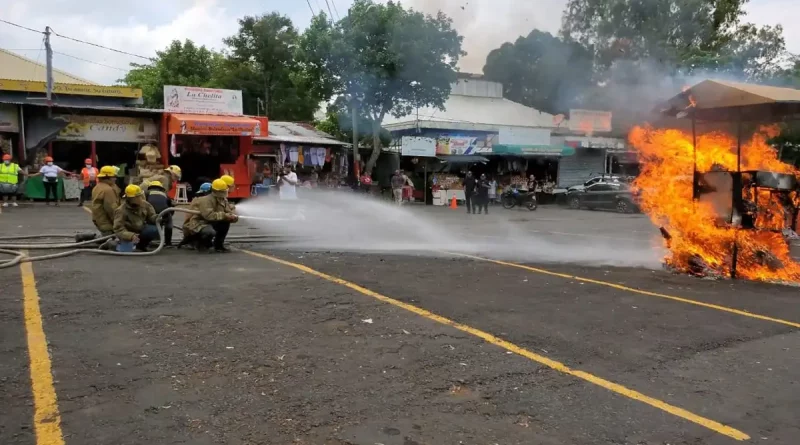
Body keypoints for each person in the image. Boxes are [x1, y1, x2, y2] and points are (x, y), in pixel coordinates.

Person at [182, 179, 238, 253]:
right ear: (217, 191)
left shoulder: (222, 200)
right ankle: (201, 245)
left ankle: (219, 246)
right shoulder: (205, 200)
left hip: (211, 222)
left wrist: (232, 217)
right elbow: (208, 215)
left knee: (225, 223)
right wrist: (225, 215)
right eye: (223, 191)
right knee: (209, 232)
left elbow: (228, 211)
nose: (225, 192)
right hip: (200, 223)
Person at [113, 184, 159, 252]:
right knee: (122, 249)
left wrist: (158, 218)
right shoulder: (121, 210)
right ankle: (111, 244)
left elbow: (151, 216)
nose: (140, 198)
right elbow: (118, 229)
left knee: (153, 230)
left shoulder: (145, 205)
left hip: (141, 230)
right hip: (128, 233)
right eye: (137, 197)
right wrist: (131, 236)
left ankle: (141, 245)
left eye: (140, 195)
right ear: (130, 198)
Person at [91, 166, 122, 248]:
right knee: (116, 239)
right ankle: (104, 242)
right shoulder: (108, 190)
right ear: (107, 177)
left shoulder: (98, 187)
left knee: (106, 236)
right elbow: (112, 209)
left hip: (99, 220)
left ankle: (86, 236)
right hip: (106, 223)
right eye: (114, 177)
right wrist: (120, 223)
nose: (115, 179)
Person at [145, 180, 174, 247]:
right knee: (169, 224)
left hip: (151, 214)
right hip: (164, 213)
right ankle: (168, 243)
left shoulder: (146, 193)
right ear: (161, 188)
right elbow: (171, 207)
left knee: (148, 225)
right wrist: (168, 217)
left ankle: (147, 242)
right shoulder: (165, 195)